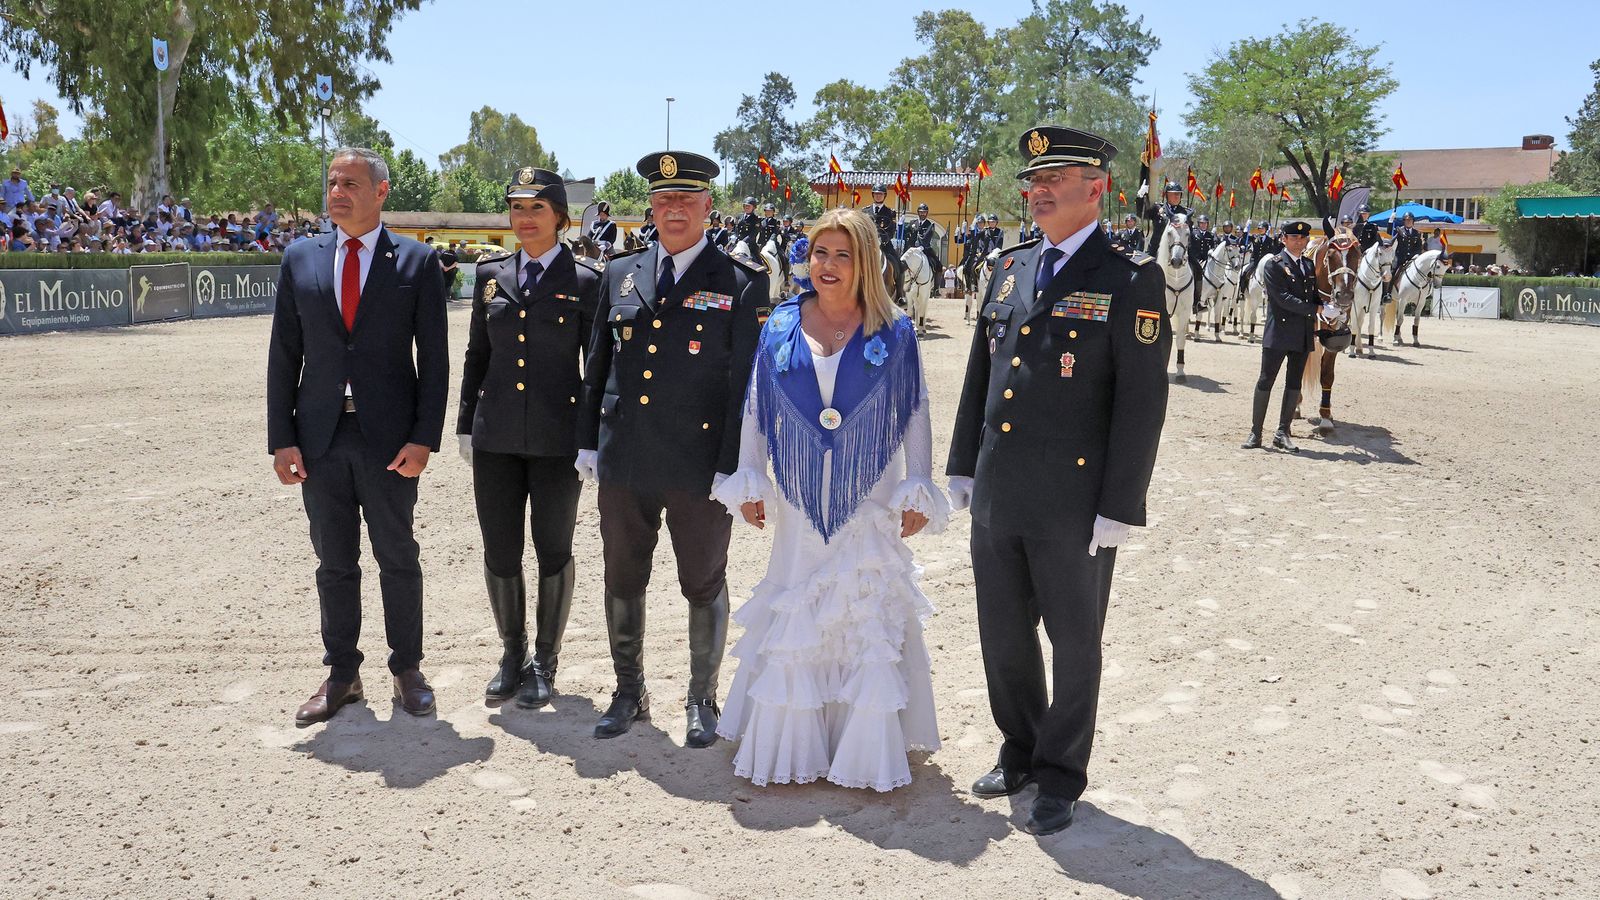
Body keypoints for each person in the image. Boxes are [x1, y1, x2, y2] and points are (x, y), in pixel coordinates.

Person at [947, 125, 1170, 836]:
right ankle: (1019, 747)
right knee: (1003, 634)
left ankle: (1060, 774)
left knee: (1075, 642)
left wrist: (1121, 506)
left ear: (1096, 189)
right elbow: (981, 372)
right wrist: (960, 466)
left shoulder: (1129, 275)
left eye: (1054, 181)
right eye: (1032, 182)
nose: (1037, 192)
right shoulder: (1010, 268)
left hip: (1076, 501)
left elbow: (1142, 403)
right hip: (1000, 486)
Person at [712, 207, 947, 790]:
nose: (829, 266)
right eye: (820, 253)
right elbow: (757, 406)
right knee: (797, 601)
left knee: (862, 609)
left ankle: (857, 742)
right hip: (796, 495)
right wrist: (749, 476)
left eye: (843, 255)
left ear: (865, 262)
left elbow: (914, 410)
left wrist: (918, 484)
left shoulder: (894, 330)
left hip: (870, 490)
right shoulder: (780, 325)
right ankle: (797, 738)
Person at [575, 150, 767, 746]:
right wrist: (588, 443)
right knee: (622, 576)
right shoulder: (619, 275)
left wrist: (734, 467)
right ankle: (628, 692)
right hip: (626, 458)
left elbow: (744, 388)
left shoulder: (739, 283)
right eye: (662, 200)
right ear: (650, 208)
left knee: (702, 581)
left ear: (709, 206)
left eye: (686, 199)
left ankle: (701, 699)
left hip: (698, 464)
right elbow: (596, 367)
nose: (673, 209)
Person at [267, 147, 450, 725]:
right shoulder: (299, 258)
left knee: (398, 555)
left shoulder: (418, 262)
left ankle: (407, 670)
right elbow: (282, 356)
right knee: (334, 563)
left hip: (390, 440)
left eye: (350, 183)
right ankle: (342, 674)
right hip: (319, 437)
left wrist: (424, 439)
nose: (337, 191)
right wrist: (281, 438)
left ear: (381, 192)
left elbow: (436, 361)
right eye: (333, 182)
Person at [457, 167, 600, 708]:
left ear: (560, 217)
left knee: (553, 550)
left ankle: (546, 659)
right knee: (499, 550)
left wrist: (590, 438)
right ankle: (511, 654)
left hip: (557, 439)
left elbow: (596, 367)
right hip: (496, 438)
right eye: (516, 208)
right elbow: (478, 355)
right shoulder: (491, 275)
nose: (524, 218)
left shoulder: (586, 280)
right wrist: (467, 422)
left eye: (536, 208)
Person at [1241, 220, 1322, 452]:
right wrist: (1314, 309)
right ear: (1284, 240)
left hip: (1302, 333)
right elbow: (1282, 298)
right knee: (1266, 380)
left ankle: (1282, 432)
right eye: (1294, 237)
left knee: (1294, 383)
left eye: (1303, 238)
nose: (1299, 241)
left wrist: (1326, 306)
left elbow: (1313, 295)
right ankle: (1256, 432)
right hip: (1279, 333)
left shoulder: (1307, 265)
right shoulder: (1274, 265)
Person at [1143, 181, 1191, 255]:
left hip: (1178, 252)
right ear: (1167, 195)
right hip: (1155, 251)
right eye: (1174, 194)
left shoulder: (1186, 213)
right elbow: (1142, 213)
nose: (1177, 196)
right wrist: (1142, 197)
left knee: (1195, 264)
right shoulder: (1157, 209)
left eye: (1178, 194)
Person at [907, 202, 942, 282]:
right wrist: (900, 225)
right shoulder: (912, 223)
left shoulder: (930, 225)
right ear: (918, 212)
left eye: (924, 212)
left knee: (938, 265)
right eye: (921, 212)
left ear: (927, 213)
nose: (922, 214)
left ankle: (936, 288)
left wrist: (921, 247)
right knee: (901, 262)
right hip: (911, 248)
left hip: (925, 248)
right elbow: (906, 233)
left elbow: (926, 238)